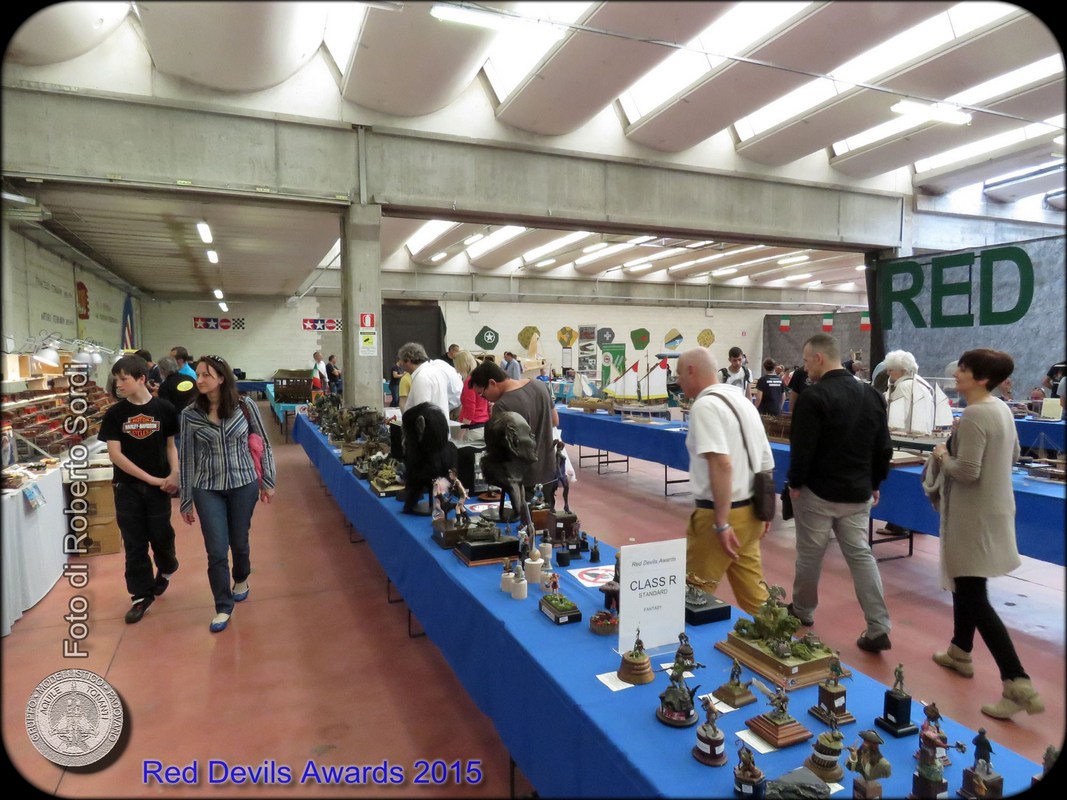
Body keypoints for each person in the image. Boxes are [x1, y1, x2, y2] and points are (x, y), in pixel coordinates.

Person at [928, 349, 1044, 719]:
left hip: (972, 516)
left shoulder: (976, 414)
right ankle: (960, 650)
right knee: (967, 582)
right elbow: (1012, 456)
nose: (956, 374)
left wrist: (942, 454)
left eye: (962, 369)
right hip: (991, 511)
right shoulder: (1001, 409)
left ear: (980, 379)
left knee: (973, 594)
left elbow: (967, 472)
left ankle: (1017, 682)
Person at [787, 334, 893, 652]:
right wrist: (875, 482)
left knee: (810, 556)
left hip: (818, 493)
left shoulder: (813, 397)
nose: (805, 368)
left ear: (819, 358)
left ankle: (803, 611)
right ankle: (878, 626)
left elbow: (802, 448)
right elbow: (883, 447)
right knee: (861, 556)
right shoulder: (872, 395)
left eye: (806, 361)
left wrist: (795, 483)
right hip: (858, 493)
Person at [180, 354, 276, 633]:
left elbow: (264, 443)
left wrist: (268, 480)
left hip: (243, 484)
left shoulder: (244, 406)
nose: (199, 380)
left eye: (206, 375)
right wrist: (186, 499)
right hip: (207, 487)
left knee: (239, 541)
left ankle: (241, 577)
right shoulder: (189, 414)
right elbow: (187, 458)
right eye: (198, 374)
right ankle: (223, 606)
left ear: (221, 378)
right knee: (216, 549)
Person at [676, 347, 774, 615]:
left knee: (691, 597)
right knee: (757, 599)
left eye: (679, 374)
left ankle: (679, 641)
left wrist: (721, 522)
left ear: (692, 371)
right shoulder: (743, 402)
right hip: (751, 512)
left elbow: (721, 464)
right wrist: (765, 511)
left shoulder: (705, 406)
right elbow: (766, 462)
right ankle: (777, 635)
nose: (678, 381)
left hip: (720, 515)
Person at [98, 355, 180, 625]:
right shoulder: (115, 414)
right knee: (134, 543)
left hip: (159, 489)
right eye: (116, 379)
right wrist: (151, 479)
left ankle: (167, 566)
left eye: (124, 379)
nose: (118, 384)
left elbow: (171, 445)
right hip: (128, 488)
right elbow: (115, 455)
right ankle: (140, 596)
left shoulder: (164, 408)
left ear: (141, 378)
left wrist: (174, 473)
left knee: (161, 536)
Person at [469, 358, 558, 503]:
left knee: (526, 515)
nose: (485, 399)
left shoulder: (501, 406)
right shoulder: (540, 385)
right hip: (549, 470)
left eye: (482, 394)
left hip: (524, 478)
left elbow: (501, 449)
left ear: (492, 383)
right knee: (547, 513)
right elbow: (555, 421)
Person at [883, 349, 951, 435]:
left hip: (904, 435)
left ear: (903, 371)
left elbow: (896, 419)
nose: (887, 373)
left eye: (891, 370)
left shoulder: (903, 387)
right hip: (923, 433)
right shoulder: (922, 384)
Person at [398, 342, 460, 423]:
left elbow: (422, 411)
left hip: (429, 428)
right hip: (439, 424)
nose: (400, 364)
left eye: (401, 360)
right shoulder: (435, 371)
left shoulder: (421, 377)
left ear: (408, 360)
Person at [454, 350, 489, 439]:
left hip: (473, 429)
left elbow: (470, 410)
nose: (456, 369)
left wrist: (460, 434)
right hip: (483, 425)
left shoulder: (469, 382)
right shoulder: (481, 379)